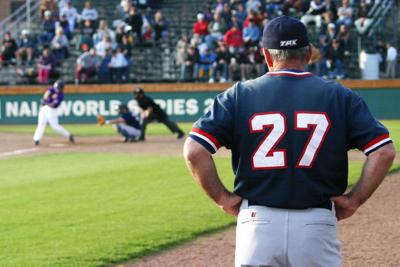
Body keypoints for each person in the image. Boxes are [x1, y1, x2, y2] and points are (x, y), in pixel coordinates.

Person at [183, 16, 395, 267]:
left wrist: (223, 198)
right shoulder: (339, 96)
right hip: (316, 222)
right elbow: (383, 152)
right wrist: (354, 199)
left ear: (266, 55)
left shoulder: (238, 95)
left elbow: (194, 151)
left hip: (257, 222)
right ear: (308, 54)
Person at [33, 80, 75, 145]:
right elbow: (47, 93)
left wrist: (46, 103)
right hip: (44, 108)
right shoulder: (53, 88)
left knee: (55, 127)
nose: (57, 89)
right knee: (41, 124)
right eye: (57, 88)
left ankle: (69, 135)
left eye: (58, 88)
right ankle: (36, 139)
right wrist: (44, 99)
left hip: (52, 111)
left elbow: (53, 105)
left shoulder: (61, 95)